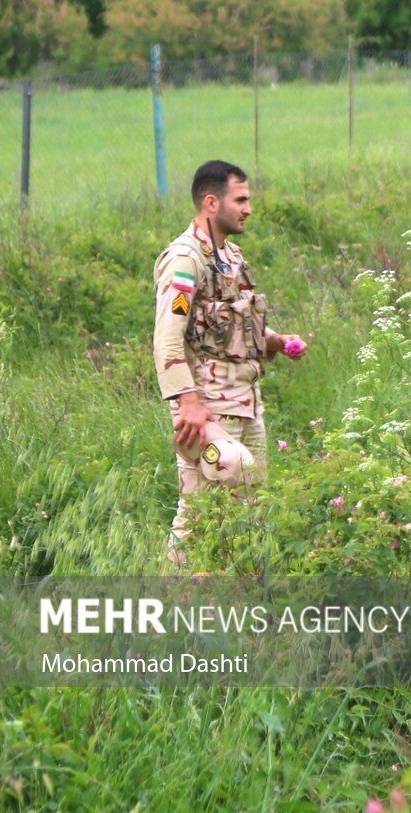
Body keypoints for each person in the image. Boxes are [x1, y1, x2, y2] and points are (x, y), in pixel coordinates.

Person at [153, 159, 307, 566]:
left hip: (246, 403)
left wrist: (275, 341)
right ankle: (175, 591)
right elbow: (168, 335)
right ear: (211, 202)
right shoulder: (185, 261)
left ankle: (237, 592)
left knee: (252, 507)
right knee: (200, 509)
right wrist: (187, 402)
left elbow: (233, 323)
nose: (248, 209)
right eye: (240, 200)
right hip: (207, 408)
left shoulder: (231, 257)